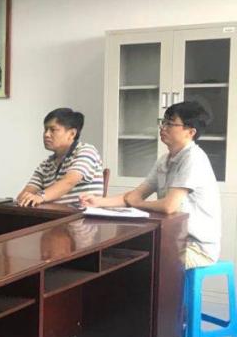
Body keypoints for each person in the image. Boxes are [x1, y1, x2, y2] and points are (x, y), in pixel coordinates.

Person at [80, 101, 220, 269]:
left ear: (190, 132)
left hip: (196, 247)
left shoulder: (193, 158)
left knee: (144, 263)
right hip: (172, 238)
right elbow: (134, 196)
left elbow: (169, 206)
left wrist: (138, 204)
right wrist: (98, 202)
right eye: (163, 122)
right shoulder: (164, 160)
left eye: (170, 124)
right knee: (122, 254)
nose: (163, 128)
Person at [17, 108, 104, 207]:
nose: (46, 134)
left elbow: (69, 181)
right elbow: (27, 193)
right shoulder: (46, 164)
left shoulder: (86, 151)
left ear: (72, 133)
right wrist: (23, 199)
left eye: (53, 130)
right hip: (52, 214)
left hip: (81, 215)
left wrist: (40, 196)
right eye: (45, 129)